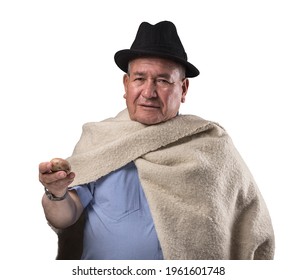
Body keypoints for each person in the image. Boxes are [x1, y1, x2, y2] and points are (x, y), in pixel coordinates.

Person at [39, 20, 275, 260]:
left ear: (183, 89)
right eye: (140, 78)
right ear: (126, 84)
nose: (149, 92)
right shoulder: (98, 141)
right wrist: (56, 193)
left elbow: (249, 221)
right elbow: (66, 216)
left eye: (163, 80)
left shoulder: (212, 146)